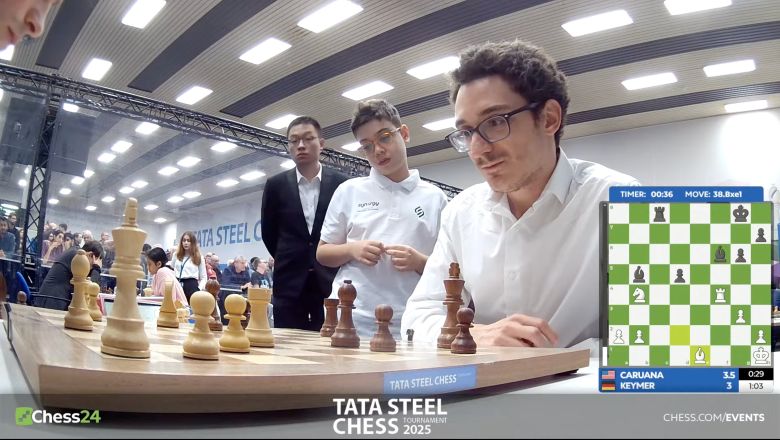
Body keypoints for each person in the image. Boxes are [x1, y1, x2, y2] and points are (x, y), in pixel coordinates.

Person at [401, 40, 639, 349]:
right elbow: (418, 316)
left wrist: (557, 358)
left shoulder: (622, 200)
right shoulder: (461, 213)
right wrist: (471, 335)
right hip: (485, 379)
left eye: (495, 122)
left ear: (549, 118)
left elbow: (664, 336)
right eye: (467, 132)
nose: (478, 150)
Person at [317, 99, 448, 337]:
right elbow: (322, 253)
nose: (377, 150)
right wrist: (352, 249)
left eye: (385, 137)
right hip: (352, 319)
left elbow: (449, 269)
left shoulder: (435, 198)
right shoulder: (349, 191)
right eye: (366, 146)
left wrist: (419, 262)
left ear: (404, 133)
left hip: (411, 322)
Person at [261, 116, 349, 331]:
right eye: (294, 140)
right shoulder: (275, 185)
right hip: (288, 281)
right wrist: (290, 255)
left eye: (308, 139)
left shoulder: (342, 185)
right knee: (286, 342)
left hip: (329, 280)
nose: (301, 145)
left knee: (330, 341)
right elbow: (269, 232)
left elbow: (346, 230)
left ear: (321, 143)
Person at [37, 240, 103, 311]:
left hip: (56, 301)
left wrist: (95, 267)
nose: (91, 268)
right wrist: (96, 268)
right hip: (51, 303)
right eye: (92, 265)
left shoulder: (75, 253)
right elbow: (91, 287)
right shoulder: (77, 257)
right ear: (90, 255)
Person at [172, 231, 207, 302]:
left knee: (190, 307)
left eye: (188, 241)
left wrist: (198, 289)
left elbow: (203, 277)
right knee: (176, 306)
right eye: (184, 240)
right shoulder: (176, 255)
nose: (186, 243)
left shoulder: (199, 257)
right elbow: (171, 270)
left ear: (193, 242)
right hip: (177, 284)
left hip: (191, 286)